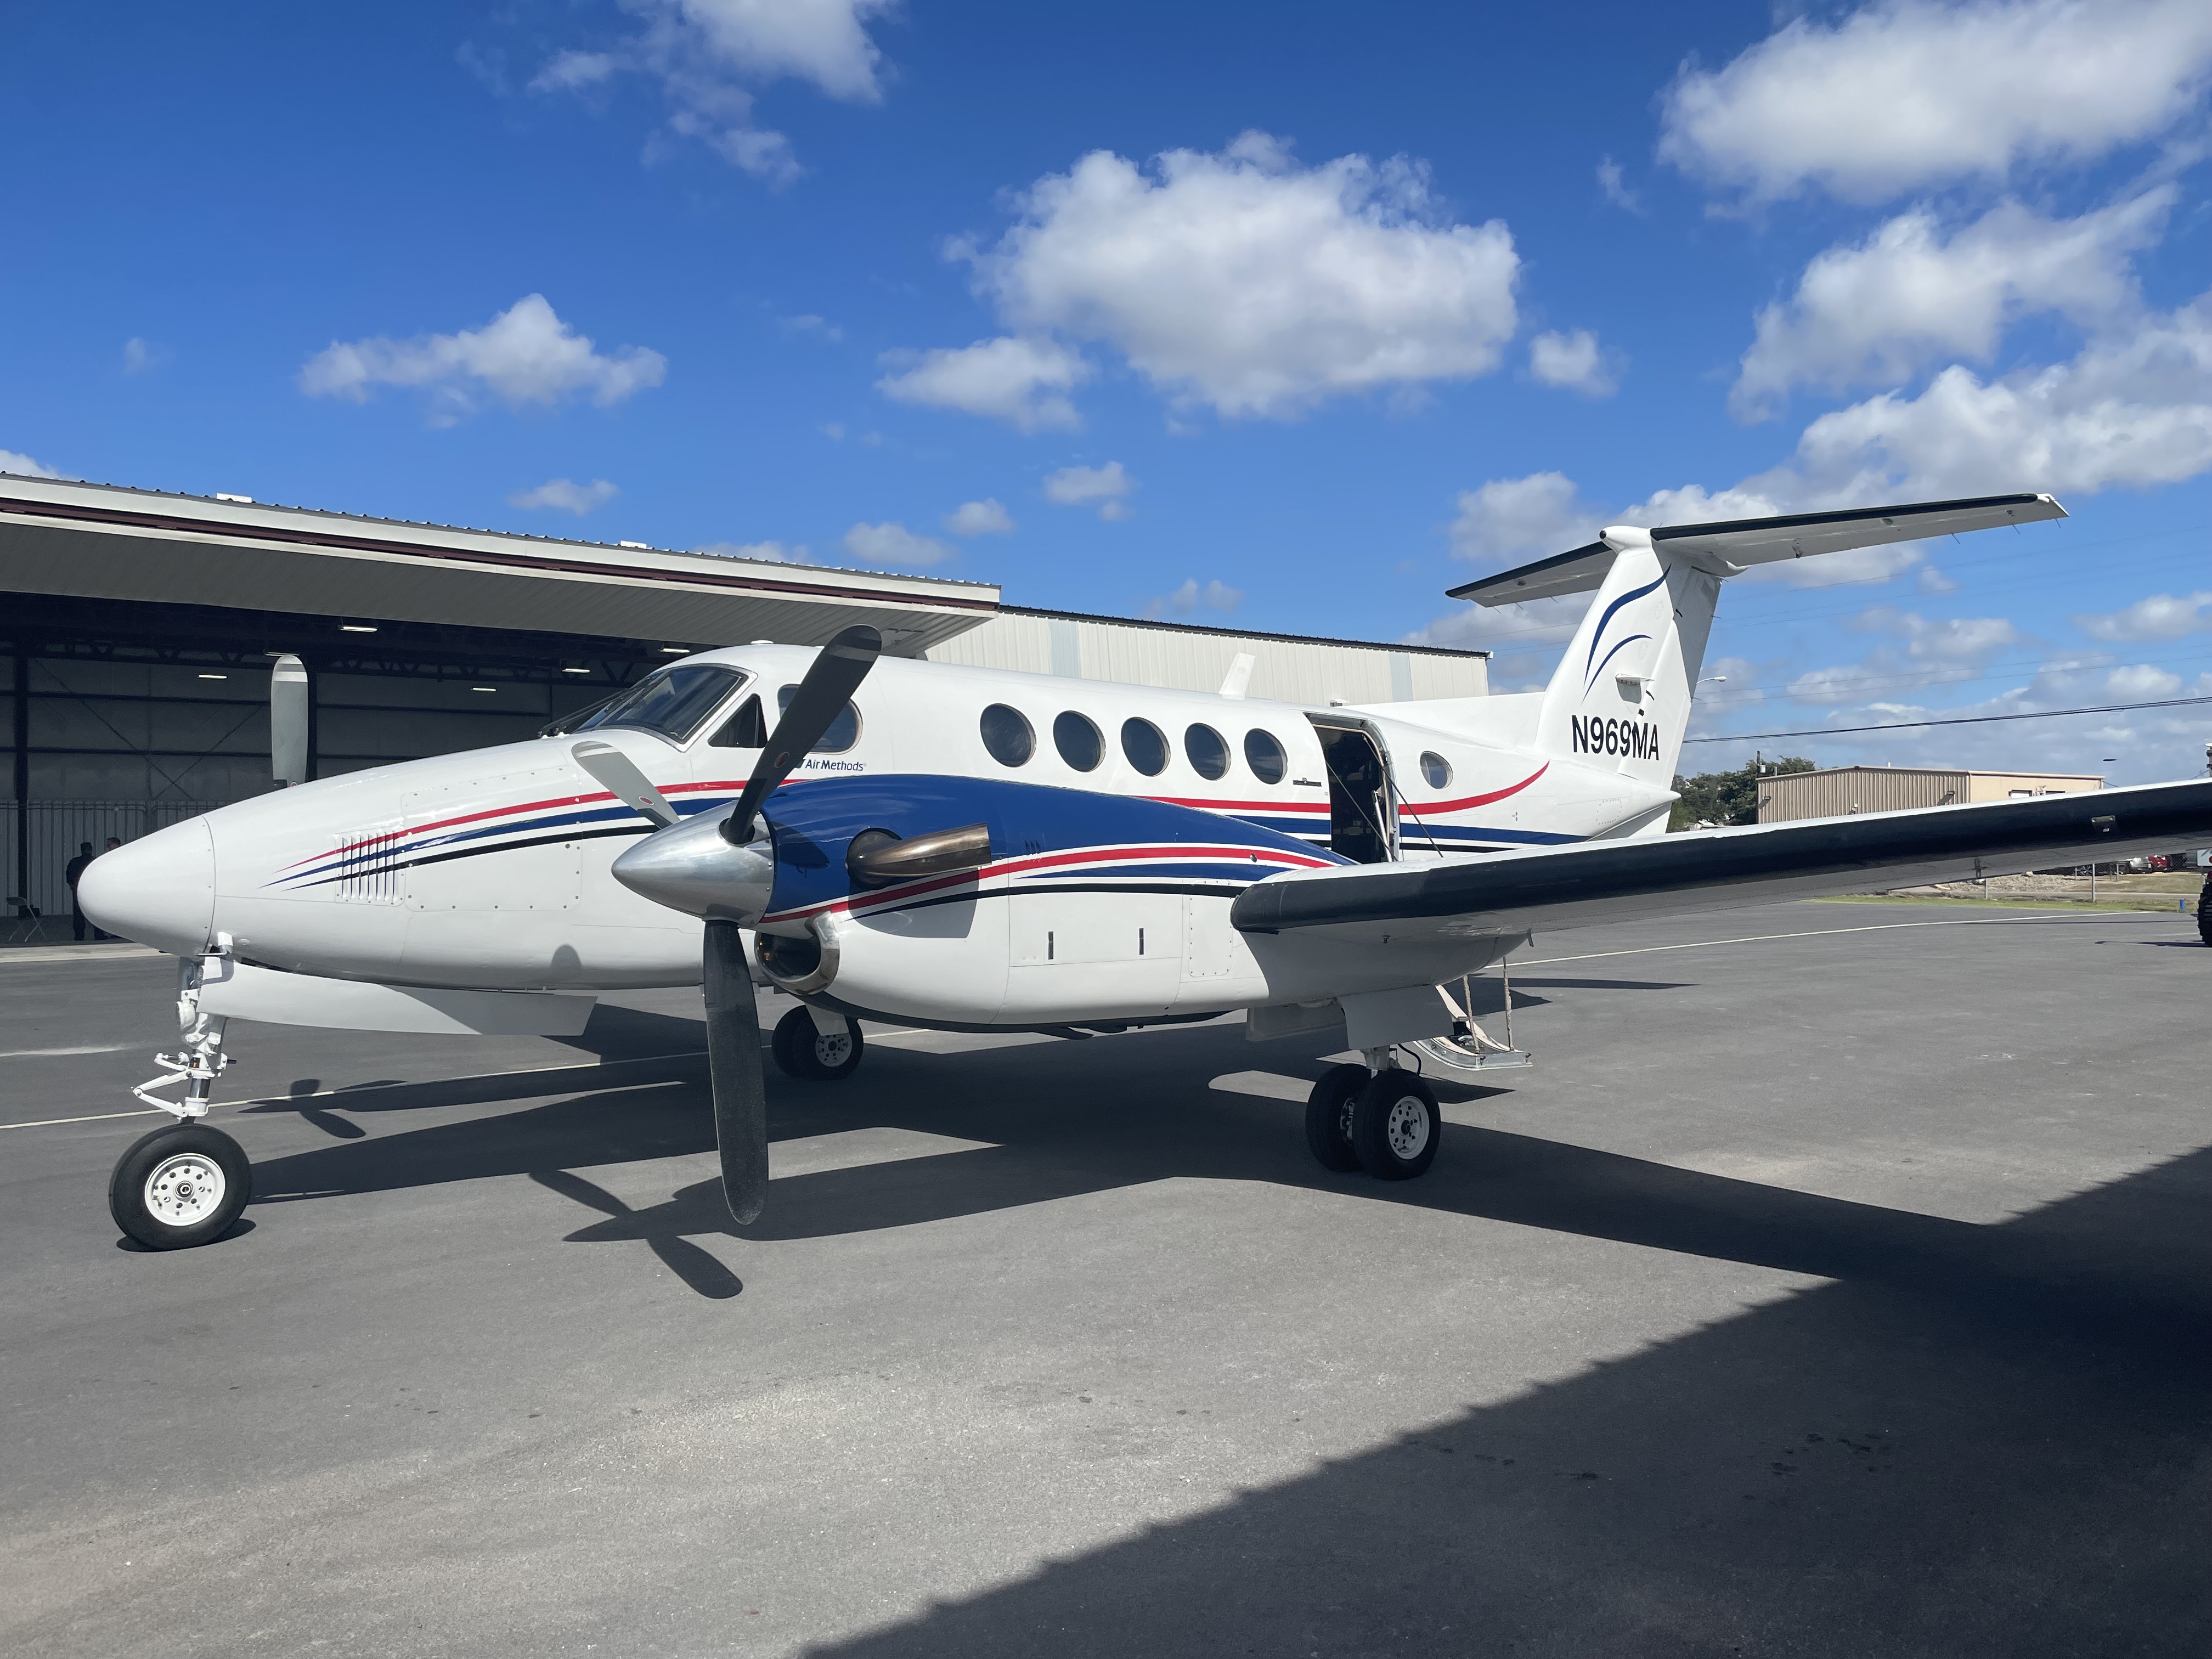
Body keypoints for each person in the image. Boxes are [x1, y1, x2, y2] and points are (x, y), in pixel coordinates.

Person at [65, 841, 95, 941]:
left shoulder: (74, 862)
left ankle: (79, 935)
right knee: (95, 913)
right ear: (91, 850)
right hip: (92, 891)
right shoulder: (94, 862)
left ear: (82, 850)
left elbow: (69, 876)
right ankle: (99, 935)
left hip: (78, 891)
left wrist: (73, 887)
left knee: (78, 914)